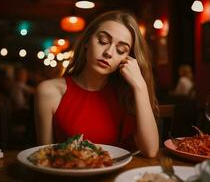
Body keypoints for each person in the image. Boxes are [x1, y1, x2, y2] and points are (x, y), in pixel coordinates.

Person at [35, 10, 160, 158]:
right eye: (103, 41)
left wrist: (140, 85)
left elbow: (151, 151)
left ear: (127, 58)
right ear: (87, 41)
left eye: (121, 50)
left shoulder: (125, 94)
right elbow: (44, 159)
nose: (108, 52)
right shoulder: (49, 91)